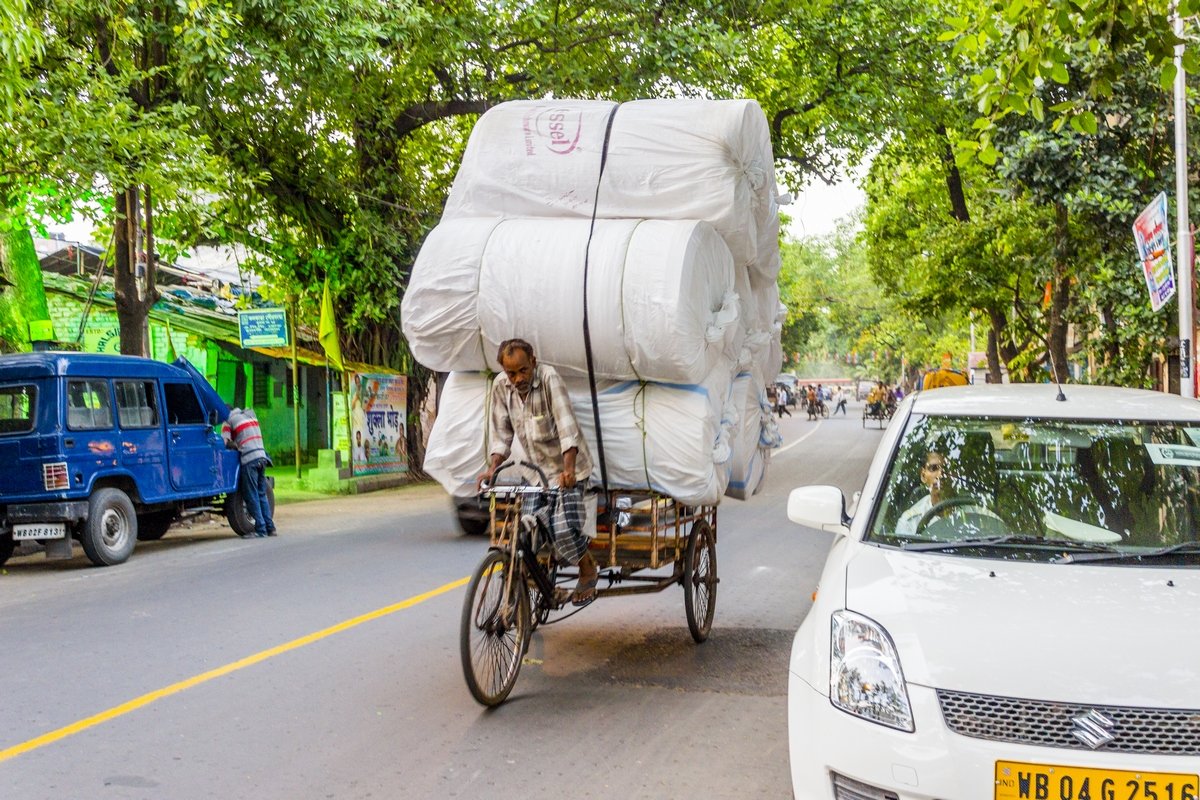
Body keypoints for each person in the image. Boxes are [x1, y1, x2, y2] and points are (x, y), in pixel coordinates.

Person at [477, 339, 598, 605]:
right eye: (511, 373)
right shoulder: (501, 387)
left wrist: (568, 472)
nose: (517, 378)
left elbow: (567, 428)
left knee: (563, 527)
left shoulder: (548, 379)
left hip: (569, 470)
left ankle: (587, 565)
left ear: (533, 361)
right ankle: (536, 581)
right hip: (536, 475)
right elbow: (501, 436)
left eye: (522, 370)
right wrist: (492, 470)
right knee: (524, 529)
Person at [223, 407, 276, 538]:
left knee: (251, 496)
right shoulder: (250, 415)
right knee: (261, 494)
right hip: (262, 457)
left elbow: (225, 443)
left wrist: (234, 445)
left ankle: (260, 530)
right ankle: (270, 528)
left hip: (249, 460)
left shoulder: (228, 421)